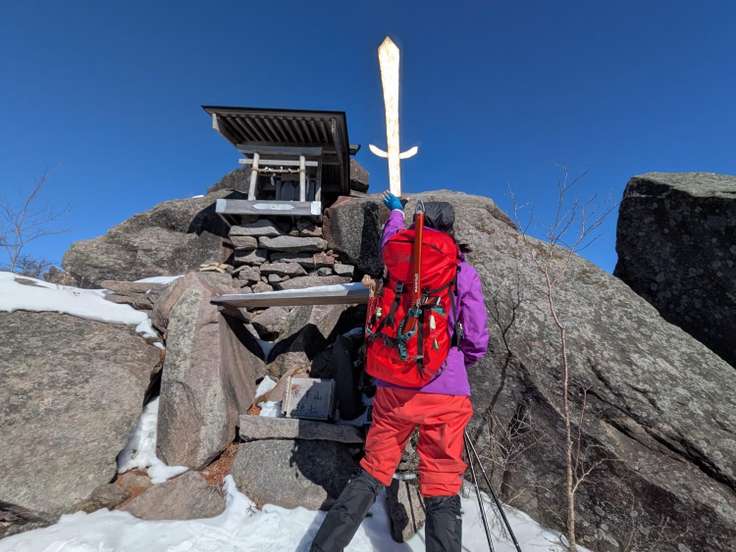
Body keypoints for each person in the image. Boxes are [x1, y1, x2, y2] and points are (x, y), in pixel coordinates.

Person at [310, 191, 489, 552]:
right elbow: (475, 337)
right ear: (450, 228)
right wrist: (457, 364)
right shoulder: (462, 271)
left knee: (374, 468)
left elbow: (390, 237)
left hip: (395, 384)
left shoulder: (398, 255)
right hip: (445, 392)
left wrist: (395, 211)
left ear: (418, 224)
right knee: (441, 481)